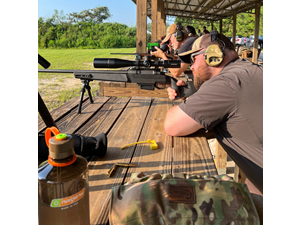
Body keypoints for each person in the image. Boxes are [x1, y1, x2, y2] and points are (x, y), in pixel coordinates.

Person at [164, 32, 263, 195]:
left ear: (213, 54)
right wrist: (194, 96)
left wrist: (189, 102)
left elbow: (172, 125)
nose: (191, 67)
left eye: (193, 59)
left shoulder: (227, 83)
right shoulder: (249, 70)